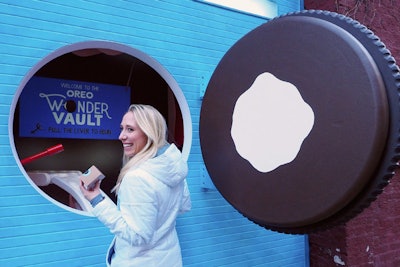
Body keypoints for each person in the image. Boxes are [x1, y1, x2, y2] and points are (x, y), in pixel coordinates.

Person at [80, 104, 191, 267]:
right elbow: (183, 206)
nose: (121, 136)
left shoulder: (137, 178)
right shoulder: (172, 169)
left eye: (130, 129)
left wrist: (96, 200)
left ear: (149, 133)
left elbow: (138, 237)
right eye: (122, 128)